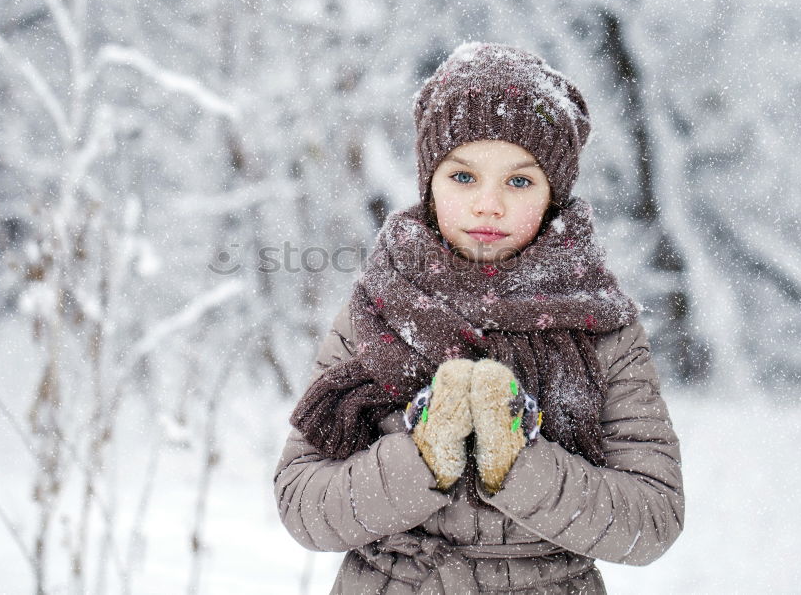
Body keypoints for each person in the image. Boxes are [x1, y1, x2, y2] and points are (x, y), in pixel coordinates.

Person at [273, 41, 684, 593]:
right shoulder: (379, 308)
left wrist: (518, 464)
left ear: (553, 194)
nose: (488, 204)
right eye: (463, 177)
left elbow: (652, 520)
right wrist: (422, 460)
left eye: (519, 180)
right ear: (430, 182)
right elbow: (303, 503)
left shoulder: (601, 324)